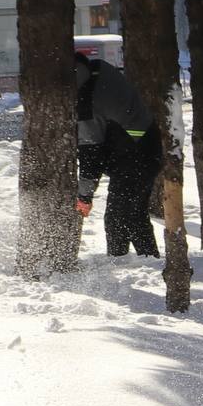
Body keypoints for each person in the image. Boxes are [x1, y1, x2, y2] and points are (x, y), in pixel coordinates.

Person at [74, 51, 159, 258]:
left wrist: (84, 196)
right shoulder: (99, 68)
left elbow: (91, 154)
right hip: (150, 147)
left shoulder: (86, 103)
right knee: (135, 216)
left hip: (134, 158)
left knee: (117, 219)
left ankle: (118, 261)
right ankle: (150, 261)